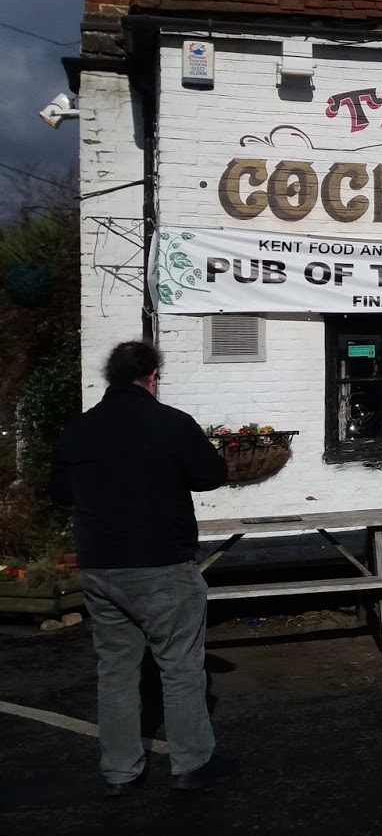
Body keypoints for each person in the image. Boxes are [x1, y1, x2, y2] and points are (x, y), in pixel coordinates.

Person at [51, 340, 234, 796]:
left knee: (115, 671)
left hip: (100, 565)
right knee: (179, 667)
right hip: (161, 562)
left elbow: (58, 491)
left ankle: (119, 771)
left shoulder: (79, 430)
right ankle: (191, 764)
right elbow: (211, 474)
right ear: (152, 375)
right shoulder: (170, 424)